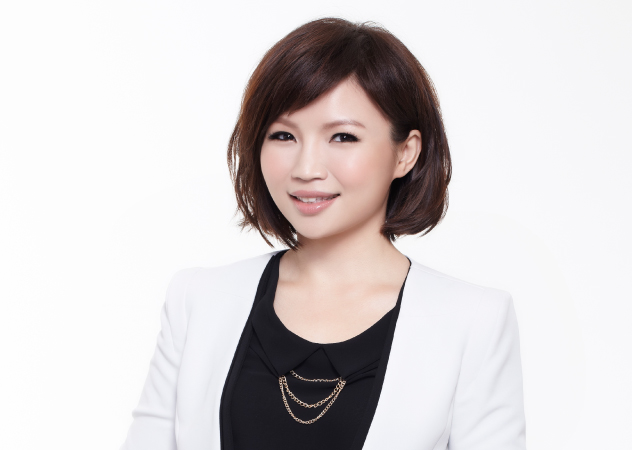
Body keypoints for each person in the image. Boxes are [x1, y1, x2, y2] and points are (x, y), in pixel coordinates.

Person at [120, 17, 526, 450]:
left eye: (343, 137)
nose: (306, 168)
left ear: (405, 153)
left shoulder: (473, 322)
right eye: (283, 135)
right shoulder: (198, 300)